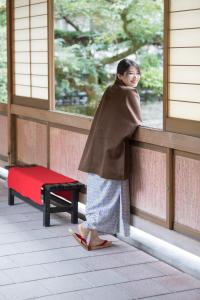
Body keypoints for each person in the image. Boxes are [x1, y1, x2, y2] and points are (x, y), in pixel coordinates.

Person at [71, 58, 142, 250]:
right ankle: (87, 227)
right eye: (130, 74)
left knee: (98, 193)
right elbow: (133, 123)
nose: (134, 77)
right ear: (120, 75)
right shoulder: (129, 94)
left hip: (98, 150)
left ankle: (92, 236)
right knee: (110, 196)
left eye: (137, 73)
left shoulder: (111, 90)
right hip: (112, 153)